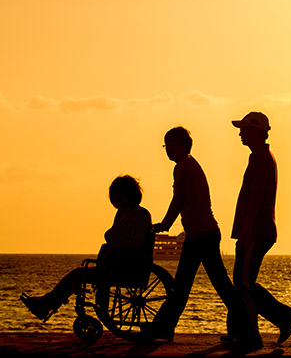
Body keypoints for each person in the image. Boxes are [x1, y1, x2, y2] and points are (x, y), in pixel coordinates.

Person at [149, 127, 260, 351]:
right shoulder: (184, 166)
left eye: (168, 146)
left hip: (204, 236)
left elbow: (180, 199)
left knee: (218, 287)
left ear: (181, 146)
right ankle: (164, 327)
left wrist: (166, 224)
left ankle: (249, 334)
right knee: (184, 286)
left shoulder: (186, 169)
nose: (166, 151)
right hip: (198, 235)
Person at [20, 175, 153, 322]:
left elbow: (137, 243)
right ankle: (46, 304)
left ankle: (45, 304)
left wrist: (114, 247)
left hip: (129, 267)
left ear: (131, 193)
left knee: (78, 273)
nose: (117, 196)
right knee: (80, 273)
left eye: (121, 192)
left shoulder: (140, 214)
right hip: (113, 264)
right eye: (115, 192)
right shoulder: (120, 214)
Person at [229, 112, 291, 345]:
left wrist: (247, 230)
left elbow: (256, 195)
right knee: (242, 282)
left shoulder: (260, 157)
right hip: (256, 230)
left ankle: (255, 333)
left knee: (244, 285)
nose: (240, 133)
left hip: (257, 231)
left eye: (244, 129)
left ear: (256, 131)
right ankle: (247, 330)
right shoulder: (259, 156)